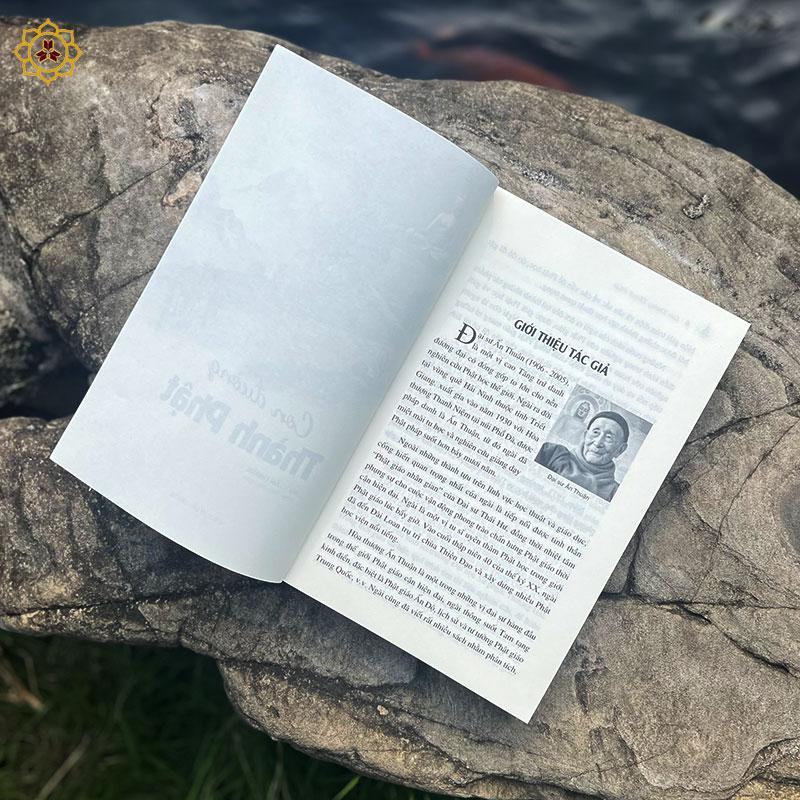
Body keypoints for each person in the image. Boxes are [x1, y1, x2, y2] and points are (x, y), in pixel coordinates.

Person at [535, 411, 629, 501]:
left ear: (620, 450)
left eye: (609, 437)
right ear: (585, 436)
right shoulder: (550, 454)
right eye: (595, 432)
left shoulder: (615, 494)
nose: (598, 443)